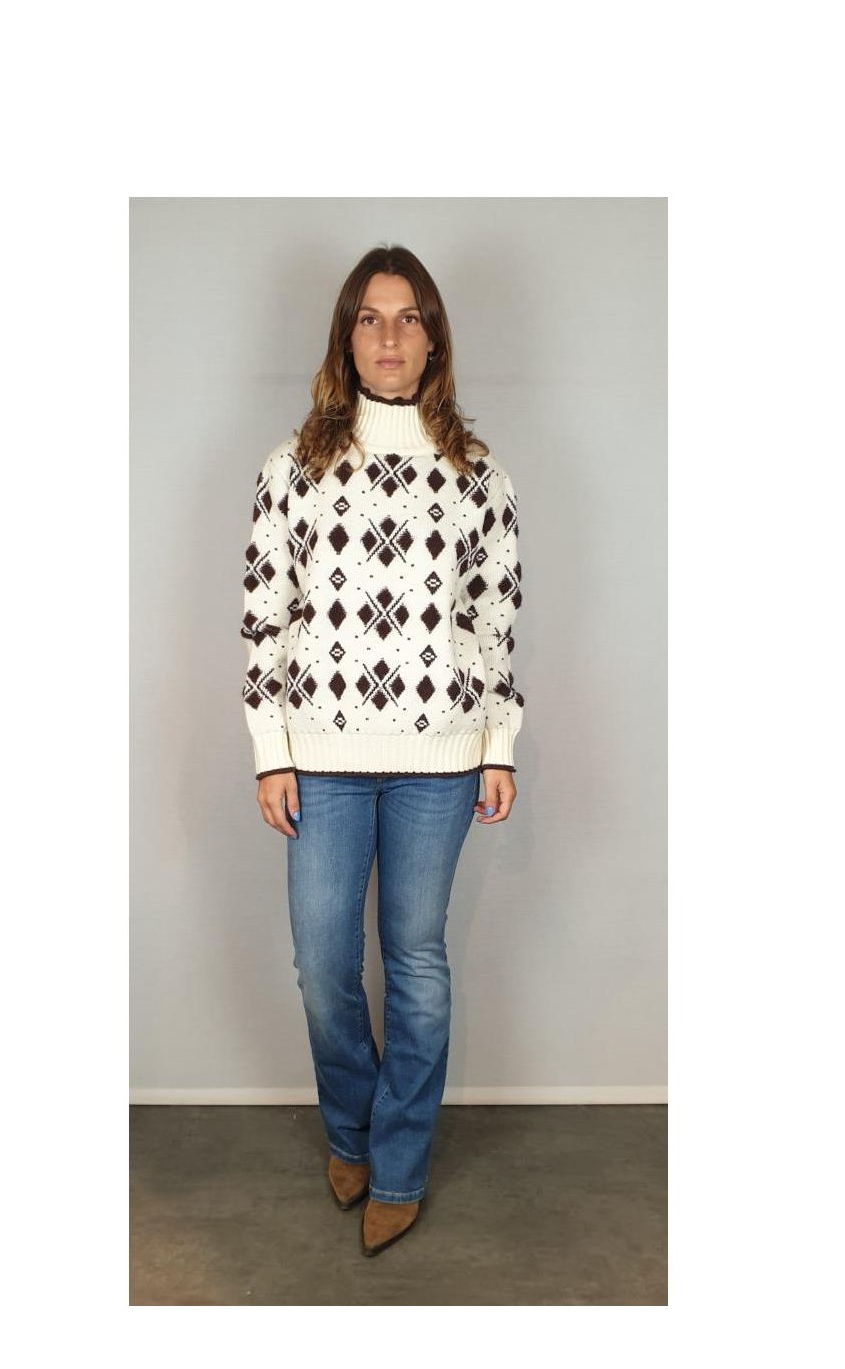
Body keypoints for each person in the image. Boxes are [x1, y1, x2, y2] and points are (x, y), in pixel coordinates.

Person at [240, 245, 525, 1256]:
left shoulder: (476, 473)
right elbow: (266, 613)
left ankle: (397, 1163)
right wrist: (272, 748)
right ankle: (351, 1131)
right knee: (324, 963)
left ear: (433, 338)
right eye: (370, 317)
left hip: (439, 758)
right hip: (319, 754)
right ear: (346, 336)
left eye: (408, 318)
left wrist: (498, 744)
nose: (389, 336)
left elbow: (493, 620)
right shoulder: (294, 467)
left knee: (415, 959)